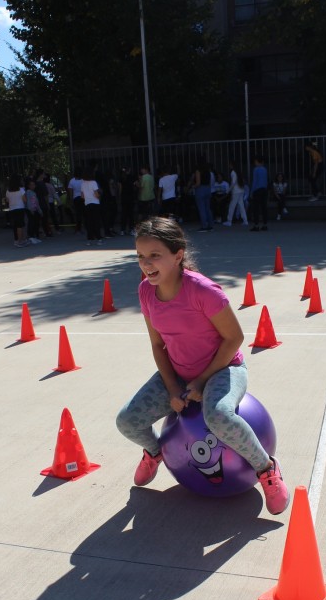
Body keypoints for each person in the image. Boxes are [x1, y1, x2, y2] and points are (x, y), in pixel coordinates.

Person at [115, 216, 289, 515]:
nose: (146, 264)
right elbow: (158, 345)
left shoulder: (203, 291)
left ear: (178, 254)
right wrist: (173, 388)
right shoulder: (146, 291)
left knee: (219, 416)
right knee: (127, 421)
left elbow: (234, 338)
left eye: (155, 255)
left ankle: (267, 470)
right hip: (180, 373)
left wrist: (202, 381)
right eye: (140, 257)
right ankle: (157, 453)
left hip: (224, 369)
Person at [5, 173, 29, 248]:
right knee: (20, 225)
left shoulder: (8, 191)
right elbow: (25, 200)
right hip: (20, 208)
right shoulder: (21, 190)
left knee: (15, 225)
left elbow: (7, 200)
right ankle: (20, 241)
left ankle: (16, 240)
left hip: (12, 209)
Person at [81, 168, 103, 245]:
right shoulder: (93, 182)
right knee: (96, 221)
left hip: (87, 204)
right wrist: (99, 197)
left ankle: (89, 239)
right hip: (95, 203)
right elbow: (96, 194)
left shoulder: (83, 183)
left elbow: (82, 196)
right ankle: (99, 238)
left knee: (89, 222)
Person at [222, 162, 248, 226]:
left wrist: (228, 190)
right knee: (241, 206)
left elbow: (233, 183)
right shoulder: (238, 172)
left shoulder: (233, 172)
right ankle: (245, 221)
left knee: (231, 206)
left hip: (236, 191)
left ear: (232, 165)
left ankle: (229, 221)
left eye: (230, 165)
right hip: (241, 190)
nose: (229, 166)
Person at [193, 157, 214, 231]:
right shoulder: (208, 171)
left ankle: (204, 226)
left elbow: (198, 183)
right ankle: (211, 225)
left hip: (200, 190)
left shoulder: (198, 171)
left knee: (201, 208)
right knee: (208, 208)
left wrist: (193, 186)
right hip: (208, 189)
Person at [250, 156, 268, 231]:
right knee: (264, 208)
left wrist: (251, 192)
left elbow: (254, 181)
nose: (254, 163)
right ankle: (265, 225)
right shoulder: (264, 169)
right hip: (264, 190)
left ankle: (256, 225)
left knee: (256, 208)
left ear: (257, 161)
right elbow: (266, 180)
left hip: (257, 190)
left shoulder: (256, 169)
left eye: (255, 161)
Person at [119, 166, 137, 234]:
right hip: (131, 197)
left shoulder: (121, 177)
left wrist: (120, 196)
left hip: (123, 197)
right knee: (131, 214)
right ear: (129, 170)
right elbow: (137, 185)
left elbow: (120, 188)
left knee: (124, 214)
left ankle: (122, 230)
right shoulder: (132, 177)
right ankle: (131, 229)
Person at [24, 177, 42, 242]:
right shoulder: (28, 192)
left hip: (35, 209)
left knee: (36, 223)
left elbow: (36, 202)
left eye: (34, 185)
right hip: (31, 210)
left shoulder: (33, 192)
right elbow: (28, 201)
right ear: (28, 186)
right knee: (31, 223)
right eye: (31, 185)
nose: (33, 186)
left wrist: (39, 210)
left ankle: (34, 235)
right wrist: (30, 209)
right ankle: (31, 235)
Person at [68, 168, 84, 234]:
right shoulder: (83, 180)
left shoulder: (72, 181)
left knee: (78, 214)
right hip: (83, 198)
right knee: (85, 213)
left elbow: (70, 192)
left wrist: (71, 200)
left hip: (76, 198)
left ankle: (78, 229)